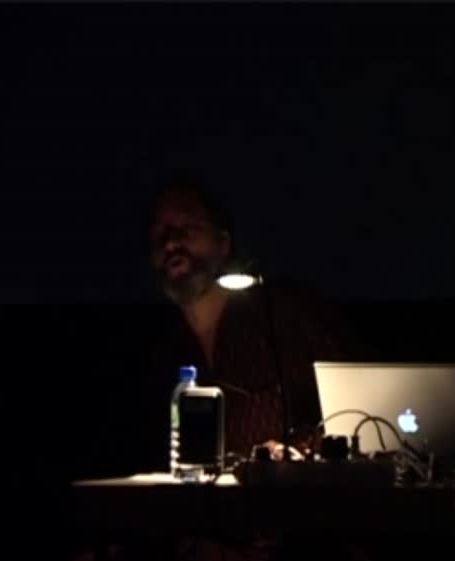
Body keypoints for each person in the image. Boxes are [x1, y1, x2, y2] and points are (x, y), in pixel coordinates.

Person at [143, 176, 342, 462]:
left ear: (223, 242)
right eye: (160, 232)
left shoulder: (282, 315)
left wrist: (296, 449)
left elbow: (353, 407)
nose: (171, 242)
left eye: (187, 228)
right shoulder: (155, 347)